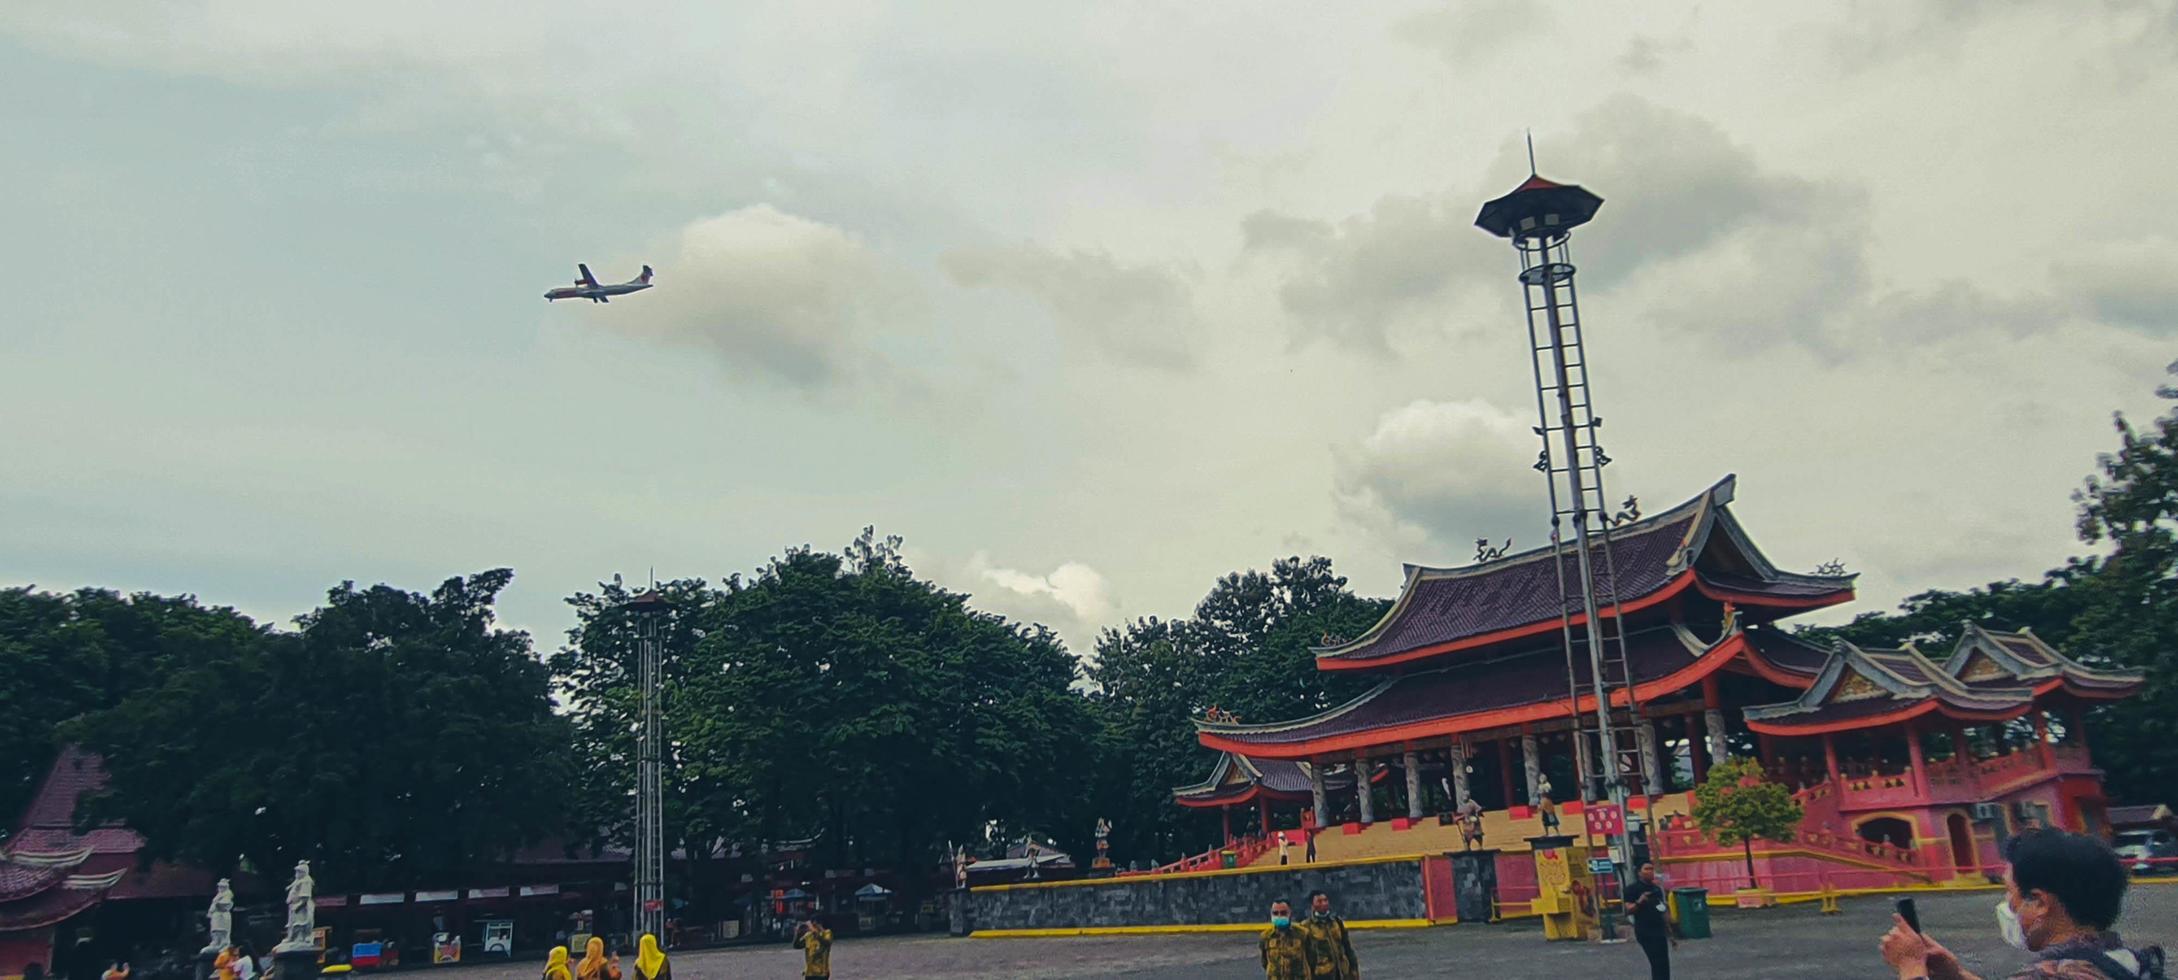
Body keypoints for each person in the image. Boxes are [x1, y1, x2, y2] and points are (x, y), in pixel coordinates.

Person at [1880, 828, 2167, 979]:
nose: (2007, 904)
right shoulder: (2120, 960)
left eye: (2010, 892)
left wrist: (1911, 967)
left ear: (2040, 902)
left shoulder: (2057, 973)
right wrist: (1956, 975)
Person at [1623, 862, 1675, 980]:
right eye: (1646, 869)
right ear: (1639, 873)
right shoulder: (1632, 889)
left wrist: (1670, 933)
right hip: (1645, 930)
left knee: (1664, 962)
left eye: (1652, 869)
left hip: (1659, 929)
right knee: (1656, 961)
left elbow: (1662, 910)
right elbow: (1629, 910)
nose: (1650, 871)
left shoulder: (1656, 889)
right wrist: (1639, 901)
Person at [1301, 890, 1357, 979]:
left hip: (1342, 974)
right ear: (1312, 905)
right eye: (1319, 901)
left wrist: (1354, 971)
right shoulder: (1306, 927)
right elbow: (1304, 957)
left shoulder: (1337, 923)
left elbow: (1348, 948)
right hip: (1321, 975)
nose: (1324, 904)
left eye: (1325, 900)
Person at [1260, 899, 1311, 980]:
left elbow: (1312, 959)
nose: (1279, 916)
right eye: (1275, 913)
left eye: (1283, 913)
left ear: (1290, 913)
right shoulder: (1266, 936)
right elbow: (1265, 962)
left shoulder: (1303, 934)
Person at [793, 915, 833, 980]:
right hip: (810, 973)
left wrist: (811, 928)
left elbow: (826, 943)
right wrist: (798, 935)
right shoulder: (809, 935)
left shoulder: (827, 933)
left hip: (821, 973)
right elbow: (796, 946)